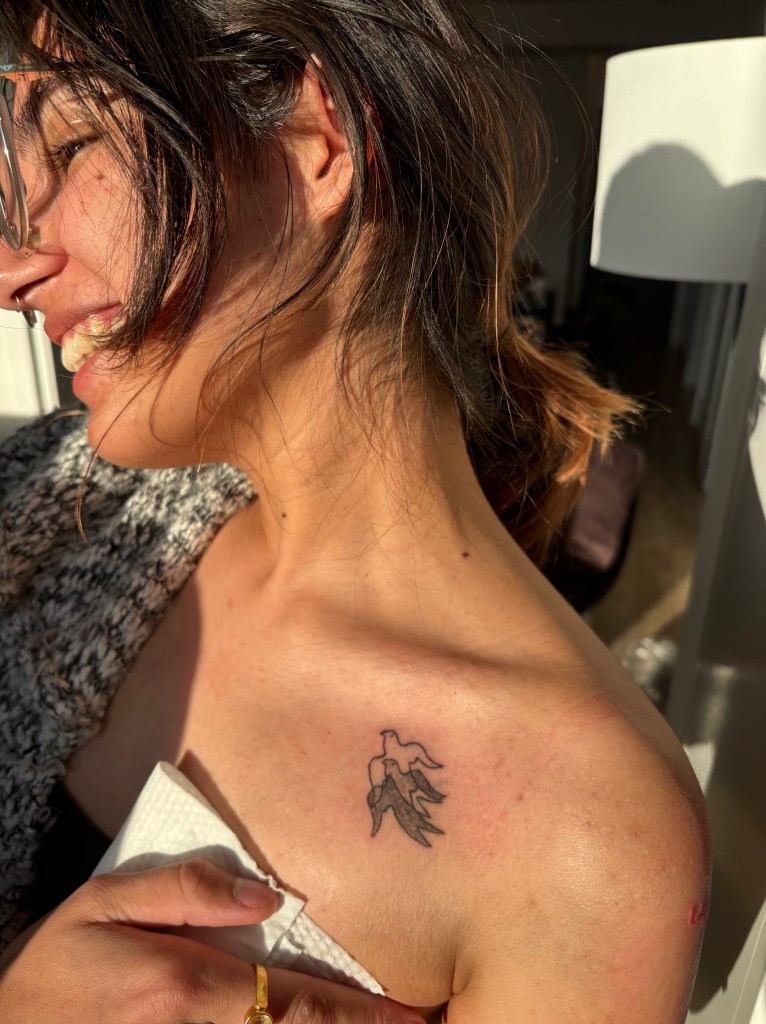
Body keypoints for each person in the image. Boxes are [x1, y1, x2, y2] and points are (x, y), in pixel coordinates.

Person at [0, 1, 710, 1022]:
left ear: (312, 139)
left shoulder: (587, 831)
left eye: (72, 144)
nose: (11, 270)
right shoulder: (51, 509)